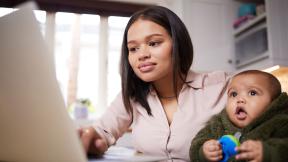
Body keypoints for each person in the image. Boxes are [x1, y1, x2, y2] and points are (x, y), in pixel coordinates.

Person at [79, 6, 229, 161]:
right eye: (133, 48)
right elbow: (102, 131)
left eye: (154, 43)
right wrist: (91, 139)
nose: (142, 55)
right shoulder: (132, 95)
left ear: (178, 42)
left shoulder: (221, 86)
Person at [190, 70, 288, 162]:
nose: (240, 99)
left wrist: (268, 153)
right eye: (234, 94)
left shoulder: (281, 122)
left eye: (252, 93)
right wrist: (203, 152)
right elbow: (196, 144)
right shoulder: (217, 124)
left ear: (274, 102)